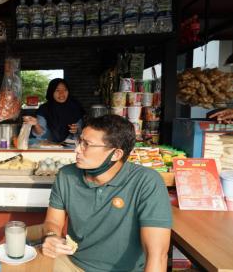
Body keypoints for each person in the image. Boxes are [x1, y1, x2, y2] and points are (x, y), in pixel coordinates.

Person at [42, 115, 172, 272]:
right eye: (79, 141)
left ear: (116, 154)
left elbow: (156, 256)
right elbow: (53, 222)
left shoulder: (147, 182)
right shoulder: (66, 175)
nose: (77, 149)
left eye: (86, 145)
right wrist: (51, 236)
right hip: (73, 264)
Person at [23, 78, 85, 143]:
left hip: (71, 148)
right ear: (51, 92)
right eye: (57, 90)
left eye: (65, 90)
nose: (62, 93)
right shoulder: (44, 109)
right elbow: (40, 134)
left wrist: (76, 130)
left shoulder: (75, 108)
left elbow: (82, 131)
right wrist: (36, 124)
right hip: (49, 147)